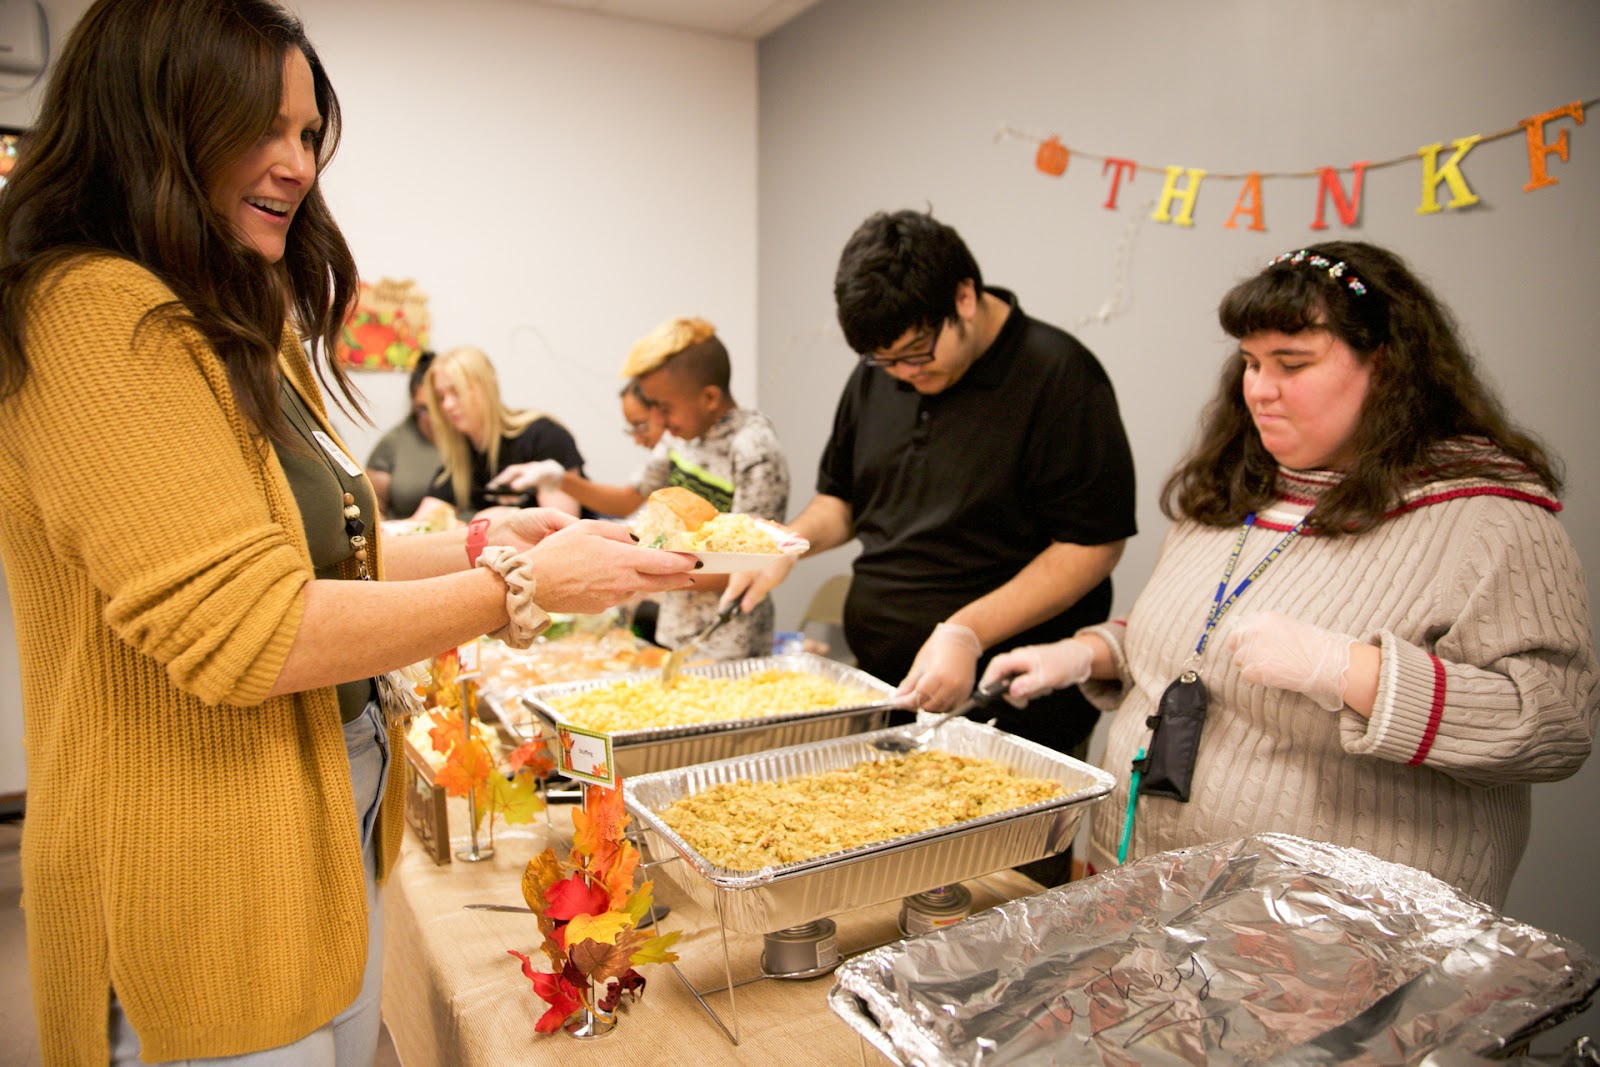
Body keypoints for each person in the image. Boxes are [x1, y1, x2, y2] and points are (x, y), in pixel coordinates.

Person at [0, 2, 695, 1062]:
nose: (296, 165)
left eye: (309, 134)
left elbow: (321, 546)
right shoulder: (97, 311)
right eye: (262, 129)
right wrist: (519, 587)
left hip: (313, 850)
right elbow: (251, 627)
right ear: (155, 122)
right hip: (203, 887)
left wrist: (478, 540)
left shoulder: (217, 320)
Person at [981, 241, 1598, 908]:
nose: (1259, 389)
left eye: (1291, 364)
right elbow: (1199, 634)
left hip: (1332, 934)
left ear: (1386, 367)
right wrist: (1088, 653)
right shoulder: (1231, 491)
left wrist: (1348, 670)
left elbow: (1554, 726)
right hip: (1146, 881)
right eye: (1249, 362)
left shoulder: (1490, 520)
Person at [727, 209, 1137, 884]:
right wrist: (788, 543)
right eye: (884, 361)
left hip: (1012, 706)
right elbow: (844, 501)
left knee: (998, 903)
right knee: (896, 891)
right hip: (891, 692)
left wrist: (967, 631)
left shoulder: (1060, 375)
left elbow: (1092, 547)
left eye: (917, 353)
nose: (903, 373)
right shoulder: (882, 373)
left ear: (965, 299)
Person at [496, 316, 790, 659]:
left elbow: (753, 562)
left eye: (664, 408)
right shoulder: (680, 440)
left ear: (709, 397)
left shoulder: (753, 448)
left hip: (730, 636)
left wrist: (643, 568)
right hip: (676, 624)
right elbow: (628, 499)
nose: (660, 423)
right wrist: (561, 480)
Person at [413, 344, 586, 518]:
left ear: (488, 387)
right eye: (441, 397)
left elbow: (561, 525)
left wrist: (503, 517)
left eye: (456, 391)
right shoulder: (461, 457)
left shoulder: (544, 436)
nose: (447, 405)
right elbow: (422, 523)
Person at [365, 349, 443, 518]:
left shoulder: (470, 437)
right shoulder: (393, 442)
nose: (432, 418)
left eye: (438, 406)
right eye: (423, 409)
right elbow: (373, 509)